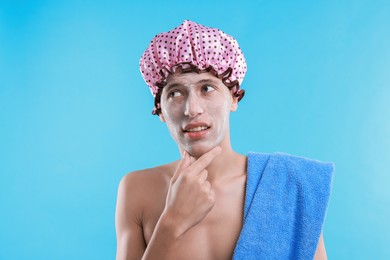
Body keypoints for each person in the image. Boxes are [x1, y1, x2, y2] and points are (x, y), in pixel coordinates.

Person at [115, 20, 333, 260]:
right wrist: (171, 224)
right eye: (175, 93)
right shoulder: (137, 190)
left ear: (233, 98)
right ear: (161, 111)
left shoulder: (290, 186)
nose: (192, 108)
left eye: (207, 88)